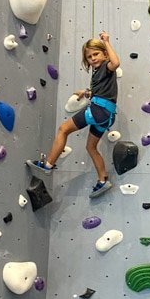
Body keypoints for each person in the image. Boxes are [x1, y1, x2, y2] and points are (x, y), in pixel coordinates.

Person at [26, 31, 120, 199]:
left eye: (96, 54)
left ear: (105, 54)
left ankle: (48, 165)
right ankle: (102, 180)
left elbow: (116, 62)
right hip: (107, 115)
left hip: (99, 110)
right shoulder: (99, 73)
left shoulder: (107, 67)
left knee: (63, 129)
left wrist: (106, 42)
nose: (93, 58)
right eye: (90, 57)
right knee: (91, 147)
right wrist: (86, 92)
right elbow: (102, 91)